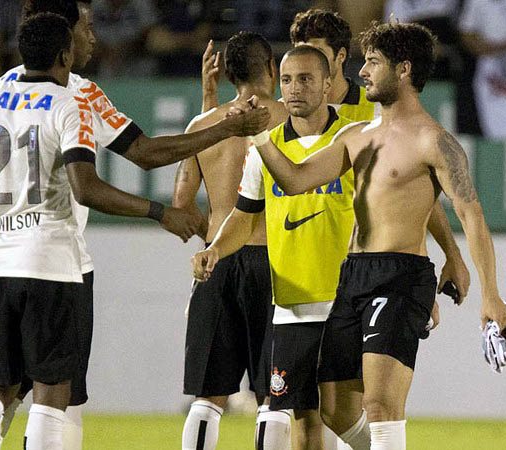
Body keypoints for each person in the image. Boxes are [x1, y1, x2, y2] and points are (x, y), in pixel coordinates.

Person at [0, 2, 269, 448]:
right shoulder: (77, 94)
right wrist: (224, 130)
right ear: (63, 41)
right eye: (86, 27)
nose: (94, 37)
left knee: (0, 387)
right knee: (54, 392)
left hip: (0, 259)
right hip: (57, 259)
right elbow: (143, 153)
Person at [244, 21, 506, 450]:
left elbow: (472, 217)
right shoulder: (355, 136)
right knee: (333, 406)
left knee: (381, 403)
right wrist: (257, 135)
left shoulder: (435, 142)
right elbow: (295, 180)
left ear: (403, 69)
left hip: (401, 276)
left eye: (372, 62)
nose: (363, 72)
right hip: (351, 276)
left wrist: (490, 293)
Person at [173, 31, 290, 450]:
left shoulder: (203, 126)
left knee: (207, 399)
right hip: (276, 263)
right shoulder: (291, 120)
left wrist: (208, 104)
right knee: (274, 397)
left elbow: (182, 201)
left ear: (227, 76)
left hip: (217, 260)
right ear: (273, 70)